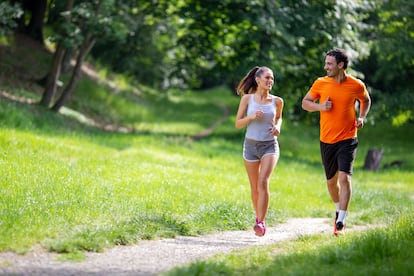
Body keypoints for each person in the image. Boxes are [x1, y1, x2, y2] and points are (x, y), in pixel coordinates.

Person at [302, 48, 371, 236]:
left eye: (329, 64)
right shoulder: (320, 83)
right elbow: (305, 103)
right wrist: (320, 107)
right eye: (326, 63)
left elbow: (365, 100)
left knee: (344, 177)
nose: (326, 67)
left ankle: (341, 219)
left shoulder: (356, 85)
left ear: (340, 65)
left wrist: (362, 117)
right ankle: (338, 209)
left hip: (348, 138)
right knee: (332, 183)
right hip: (326, 139)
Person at [235, 66, 284, 237]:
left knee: (263, 182)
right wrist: (251, 117)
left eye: (272, 78)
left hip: (270, 145)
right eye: (267, 78)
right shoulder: (247, 99)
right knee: (255, 187)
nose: (270, 81)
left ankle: (261, 222)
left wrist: (277, 127)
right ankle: (258, 217)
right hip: (250, 146)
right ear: (258, 79)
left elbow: (278, 117)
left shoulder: (277, 101)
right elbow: (238, 123)